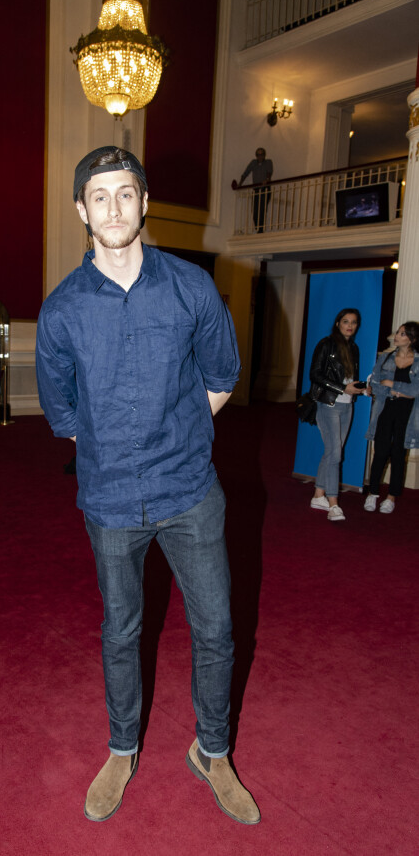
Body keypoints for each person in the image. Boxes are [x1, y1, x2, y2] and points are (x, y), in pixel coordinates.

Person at [36, 146, 260, 826]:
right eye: (98, 196)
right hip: (109, 502)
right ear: (81, 209)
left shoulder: (191, 287)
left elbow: (222, 376)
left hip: (190, 490)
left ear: (144, 201)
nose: (113, 207)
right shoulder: (62, 310)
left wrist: (178, 431)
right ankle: (122, 746)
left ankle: (212, 751)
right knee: (120, 630)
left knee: (217, 628)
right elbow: (67, 417)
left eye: (125, 193)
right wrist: (120, 450)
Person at [309, 309, 367, 521]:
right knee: (335, 454)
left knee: (333, 452)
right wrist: (342, 389)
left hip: (347, 405)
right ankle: (333, 503)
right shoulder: (326, 344)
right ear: (337, 323)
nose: (350, 325)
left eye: (353, 322)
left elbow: (350, 378)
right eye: (345, 321)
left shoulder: (354, 348)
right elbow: (314, 374)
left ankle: (318, 495)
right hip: (329, 404)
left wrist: (360, 389)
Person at [363, 322, 419, 513]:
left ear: (411, 338)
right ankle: (373, 493)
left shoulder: (418, 361)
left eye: (402, 333)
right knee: (380, 452)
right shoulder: (385, 357)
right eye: (398, 332)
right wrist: (400, 391)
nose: (396, 336)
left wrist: (392, 385)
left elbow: (416, 391)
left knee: (398, 455)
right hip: (385, 409)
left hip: (408, 414)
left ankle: (391, 497)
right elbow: (377, 384)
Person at [237, 147, 273, 232]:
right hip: (256, 189)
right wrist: (240, 184)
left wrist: (267, 180)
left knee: (262, 209)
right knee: (255, 210)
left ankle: (260, 230)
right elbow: (246, 173)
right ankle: (258, 228)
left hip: (265, 189)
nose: (260, 156)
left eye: (261, 154)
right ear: (256, 156)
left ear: (264, 155)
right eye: (258, 155)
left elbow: (269, 172)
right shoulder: (253, 163)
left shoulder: (268, 162)